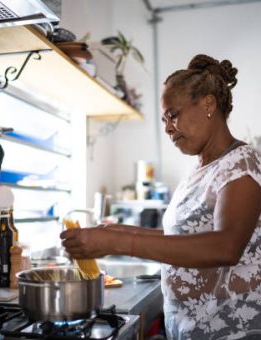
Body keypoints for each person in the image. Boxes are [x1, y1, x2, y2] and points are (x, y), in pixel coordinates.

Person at [60, 54, 261, 340]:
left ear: (208, 104)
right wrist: (110, 232)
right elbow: (176, 234)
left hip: (230, 331)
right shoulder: (200, 169)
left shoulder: (242, 163)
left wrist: (119, 241)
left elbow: (226, 246)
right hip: (190, 329)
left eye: (173, 115)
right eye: (165, 119)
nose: (167, 127)